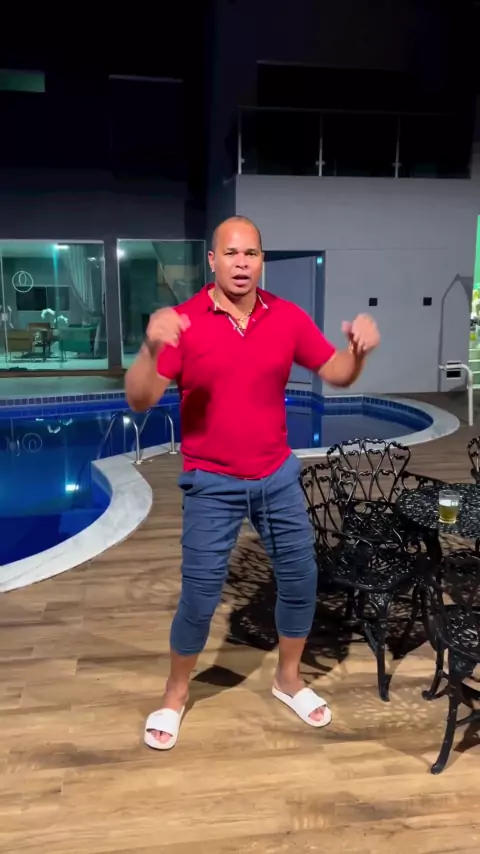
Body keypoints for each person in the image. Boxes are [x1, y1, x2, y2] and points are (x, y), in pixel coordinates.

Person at [125, 216, 380, 751]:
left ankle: (288, 678)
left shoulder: (286, 317)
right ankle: (175, 693)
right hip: (211, 482)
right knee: (199, 598)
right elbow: (140, 399)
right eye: (231, 253)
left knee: (301, 579)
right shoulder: (184, 322)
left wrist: (356, 353)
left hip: (276, 476)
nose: (241, 263)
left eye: (251, 254)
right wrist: (150, 348)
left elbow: (335, 372)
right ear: (212, 260)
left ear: (262, 260)